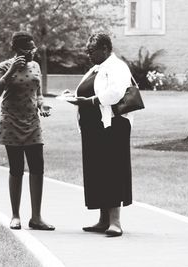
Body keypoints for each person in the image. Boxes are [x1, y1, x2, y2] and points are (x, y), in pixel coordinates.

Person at [66, 33, 133, 237]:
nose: (88, 54)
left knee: (111, 171)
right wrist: (75, 97)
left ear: (105, 48)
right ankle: (103, 220)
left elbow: (116, 93)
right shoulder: (96, 68)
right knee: (98, 172)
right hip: (93, 128)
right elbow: (88, 90)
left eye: (91, 50)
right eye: (87, 50)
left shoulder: (117, 67)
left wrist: (90, 101)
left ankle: (115, 222)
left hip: (112, 126)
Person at [0, 31, 54, 231]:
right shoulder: (4, 67)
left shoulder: (35, 66)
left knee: (37, 168)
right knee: (16, 169)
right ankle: (15, 215)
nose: (33, 52)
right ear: (18, 50)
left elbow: (38, 92)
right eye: (29, 49)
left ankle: (36, 217)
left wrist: (42, 106)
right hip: (11, 122)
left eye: (34, 48)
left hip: (33, 123)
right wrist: (10, 73)